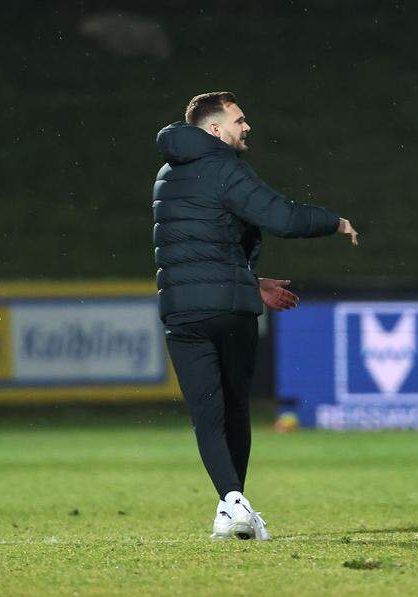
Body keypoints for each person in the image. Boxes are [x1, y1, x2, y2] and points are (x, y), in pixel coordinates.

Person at [153, 91, 359, 540]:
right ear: (214, 129)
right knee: (235, 411)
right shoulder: (225, 168)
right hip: (229, 311)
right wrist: (333, 222)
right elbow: (280, 217)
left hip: (182, 312)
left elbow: (196, 252)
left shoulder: (167, 175)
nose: (247, 127)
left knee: (207, 416)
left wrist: (254, 282)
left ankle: (230, 503)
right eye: (240, 120)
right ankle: (234, 503)